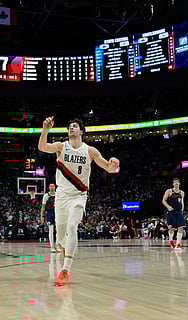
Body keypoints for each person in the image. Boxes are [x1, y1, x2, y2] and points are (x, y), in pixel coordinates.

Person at [38, 116, 120, 286]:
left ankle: (65, 270)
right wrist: (45, 129)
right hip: (61, 196)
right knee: (61, 240)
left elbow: (109, 168)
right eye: (70, 127)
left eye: (75, 126)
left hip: (78, 195)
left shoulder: (90, 151)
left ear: (81, 131)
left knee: (72, 226)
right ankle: (64, 252)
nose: (71, 129)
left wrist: (114, 164)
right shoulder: (61, 147)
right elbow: (42, 147)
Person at [162, 178, 185, 251]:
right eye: (175, 183)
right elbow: (163, 200)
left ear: (179, 184)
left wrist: (182, 209)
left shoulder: (182, 192)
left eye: (177, 182)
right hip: (171, 211)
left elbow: (182, 201)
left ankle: (178, 244)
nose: (176, 184)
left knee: (181, 227)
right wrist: (168, 206)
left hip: (179, 211)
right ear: (173, 184)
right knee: (171, 228)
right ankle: (171, 240)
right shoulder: (169, 191)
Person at [40, 183, 57, 252]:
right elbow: (43, 207)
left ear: (55, 187)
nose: (52, 187)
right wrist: (42, 216)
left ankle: (57, 245)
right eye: (50, 186)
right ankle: (52, 246)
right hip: (50, 213)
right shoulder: (46, 196)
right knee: (51, 230)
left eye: (53, 186)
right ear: (49, 188)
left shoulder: (58, 195)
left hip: (57, 213)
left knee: (59, 230)